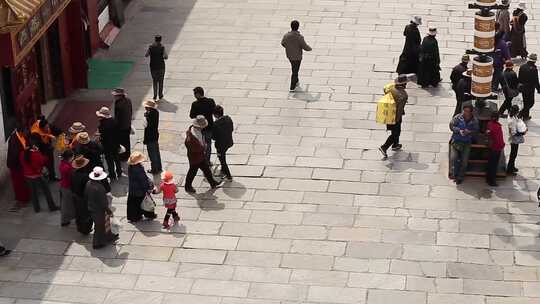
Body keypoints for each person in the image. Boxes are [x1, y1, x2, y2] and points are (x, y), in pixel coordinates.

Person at [20, 134, 59, 212]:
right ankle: (52, 207)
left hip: (28, 176)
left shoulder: (22, 153)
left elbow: (22, 163)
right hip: (37, 175)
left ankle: (36, 208)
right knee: (46, 191)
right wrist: (39, 152)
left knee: (33, 193)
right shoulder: (35, 154)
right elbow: (42, 161)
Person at [184, 116, 222, 193]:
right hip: (195, 157)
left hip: (200, 156)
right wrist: (203, 147)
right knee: (192, 171)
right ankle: (187, 186)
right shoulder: (192, 137)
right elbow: (194, 148)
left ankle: (212, 182)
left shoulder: (195, 131)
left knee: (206, 169)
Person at [85, 167, 118, 249]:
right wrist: (109, 211)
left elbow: (85, 195)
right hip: (99, 210)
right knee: (99, 226)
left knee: (103, 224)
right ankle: (97, 243)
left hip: (91, 207)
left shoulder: (88, 183)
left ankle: (108, 236)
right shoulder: (100, 188)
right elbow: (103, 203)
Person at [378, 75, 408, 159]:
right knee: (396, 133)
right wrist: (397, 119)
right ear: (404, 84)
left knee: (396, 131)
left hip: (388, 113)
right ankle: (384, 147)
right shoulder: (403, 95)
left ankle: (395, 144)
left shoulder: (391, 88)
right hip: (395, 116)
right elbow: (399, 109)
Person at [450, 103, 479, 184]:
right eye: (465, 111)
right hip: (456, 141)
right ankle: (455, 174)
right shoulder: (458, 117)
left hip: (466, 142)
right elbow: (451, 126)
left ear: (471, 112)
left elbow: (476, 131)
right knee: (454, 158)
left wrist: (469, 132)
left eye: (468, 111)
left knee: (464, 161)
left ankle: (460, 177)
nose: (466, 113)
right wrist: (459, 130)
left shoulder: (474, 120)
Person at [281, 20, 312, 92]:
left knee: (294, 68)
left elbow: (283, 43)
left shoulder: (286, 36)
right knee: (295, 71)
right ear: (298, 27)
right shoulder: (299, 37)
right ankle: (292, 87)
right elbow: (305, 46)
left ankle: (296, 81)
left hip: (289, 55)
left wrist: (289, 47)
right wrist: (310, 49)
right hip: (297, 57)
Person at [127, 151, 157, 222]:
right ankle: (149, 215)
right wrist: (148, 188)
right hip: (140, 190)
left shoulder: (130, 167)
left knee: (133, 204)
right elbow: (143, 180)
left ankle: (134, 217)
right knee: (146, 202)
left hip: (132, 189)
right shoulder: (139, 169)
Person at [6, 123, 30, 211]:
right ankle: (21, 199)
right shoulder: (14, 139)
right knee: (18, 183)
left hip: (21, 164)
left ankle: (25, 197)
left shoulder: (22, 136)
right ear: (20, 132)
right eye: (24, 132)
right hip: (16, 165)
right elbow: (16, 155)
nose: (26, 134)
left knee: (23, 181)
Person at [190, 87, 216, 164]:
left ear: (197, 94)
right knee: (208, 144)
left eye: (195, 94)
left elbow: (191, 115)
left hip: (199, 128)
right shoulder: (210, 101)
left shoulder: (195, 104)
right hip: (209, 126)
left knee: (200, 144)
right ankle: (207, 160)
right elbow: (214, 111)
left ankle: (201, 160)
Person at [96, 107, 122, 179]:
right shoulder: (114, 121)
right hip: (115, 144)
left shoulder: (102, 124)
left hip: (107, 145)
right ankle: (119, 172)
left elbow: (102, 135)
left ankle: (112, 174)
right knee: (116, 158)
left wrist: (99, 135)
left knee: (109, 160)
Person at [71, 156, 93, 235]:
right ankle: (85, 229)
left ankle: (80, 228)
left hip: (75, 196)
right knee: (86, 214)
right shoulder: (85, 177)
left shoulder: (73, 173)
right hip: (83, 198)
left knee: (78, 213)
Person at [212, 105, 234, 180]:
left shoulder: (215, 124)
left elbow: (214, 137)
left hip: (220, 146)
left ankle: (228, 175)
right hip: (229, 142)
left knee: (222, 159)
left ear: (216, 115)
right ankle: (223, 170)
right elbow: (232, 129)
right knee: (222, 156)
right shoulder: (228, 119)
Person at [145, 35, 168, 100]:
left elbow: (146, 55)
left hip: (153, 67)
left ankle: (155, 95)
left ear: (155, 39)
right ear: (160, 40)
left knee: (155, 81)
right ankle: (160, 95)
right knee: (161, 81)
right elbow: (166, 57)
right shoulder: (162, 47)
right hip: (161, 66)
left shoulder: (151, 47)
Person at [112, 88, 133, 161]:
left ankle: (123, 156)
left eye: (115, 95)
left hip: (121, 127)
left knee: (122, 142)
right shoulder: (128, 100)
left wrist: (114, 126)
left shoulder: (118, 104)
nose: (114, 97)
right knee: (127, 141)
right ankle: (128, 154)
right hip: (127, 125)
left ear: (119, 96)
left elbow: (117, 118)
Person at [518, 53, 540, 120]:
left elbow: (519, 78)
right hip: (530, 88)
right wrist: (539, 89)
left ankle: (525, 116)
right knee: (530, 103)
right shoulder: (534, 69)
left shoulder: (522, 67)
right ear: (535, 61)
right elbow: (536, 80)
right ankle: (521, 114)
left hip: (523, 88)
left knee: (526, 102)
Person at [486, 113, 505, 186]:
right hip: (496, 147)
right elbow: (498, 138)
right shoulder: (497, 126)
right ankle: (492, 180)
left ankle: (488, 179)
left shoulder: (489, 124)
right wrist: (502, 144)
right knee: (494, 165)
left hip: (492, 147)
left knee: (490, 163)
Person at [143, 100, 162, 174]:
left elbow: (146, 125)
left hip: (150, 136)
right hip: (155, 135)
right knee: (156, 152)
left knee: (152, 154)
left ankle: (154, 169)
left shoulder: (149, 115)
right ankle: (159, 167)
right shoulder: (156, 112)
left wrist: (146, 116)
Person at [507, 105, 526, 175]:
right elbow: (514, 133)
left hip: (514, 139)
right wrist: (523, 132)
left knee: (514, 154)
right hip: (514, 140)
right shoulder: (512, 121)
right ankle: (510, 169)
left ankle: (512, 167)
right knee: (513, 155)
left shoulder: (512, 116)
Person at [59, 149, 76, 226]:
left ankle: (66, 219)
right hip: (67, 187)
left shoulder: (63, 163)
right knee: (67, 205)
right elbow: (71, 177)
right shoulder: (67, 167)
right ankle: (65, 220)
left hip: (63, 185)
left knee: (66, 204)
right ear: (69, 157)